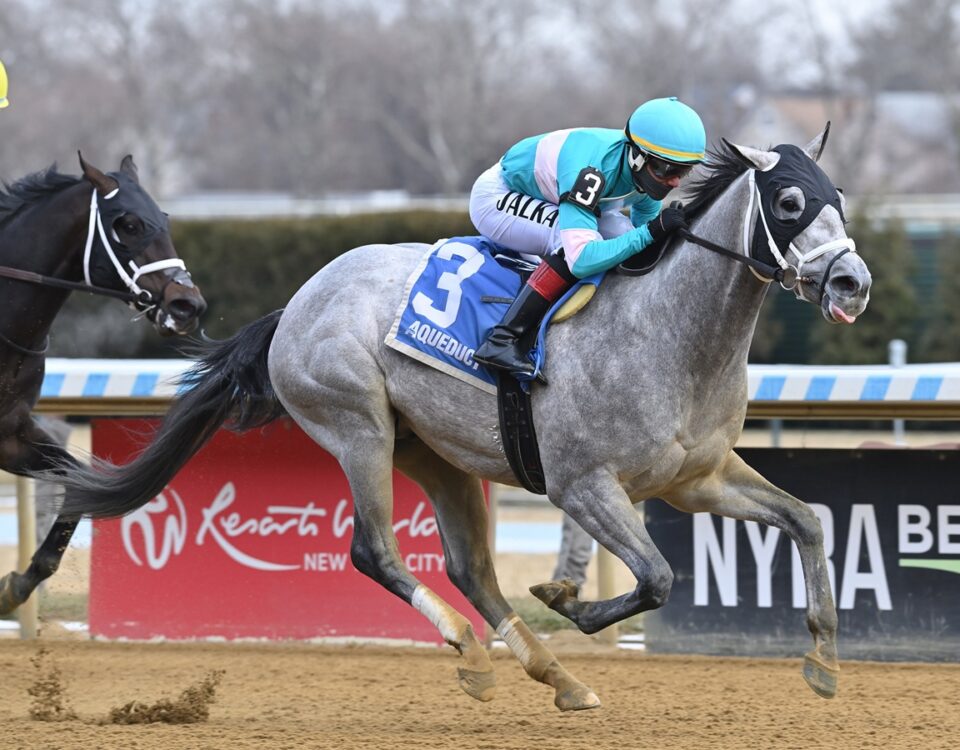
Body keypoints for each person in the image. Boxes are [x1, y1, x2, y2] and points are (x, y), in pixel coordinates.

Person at [470, 96, 706, 382]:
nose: (675, 181)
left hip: (553, 196)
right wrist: (651, 232)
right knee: (570, 242)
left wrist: (658, 234)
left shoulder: (644, 170)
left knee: (626, 238)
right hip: (498, 197)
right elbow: (581, 259)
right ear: (637, 156)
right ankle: (501, 340)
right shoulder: (590, 172)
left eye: (683, 170)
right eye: (667, 169)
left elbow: (642, 239)